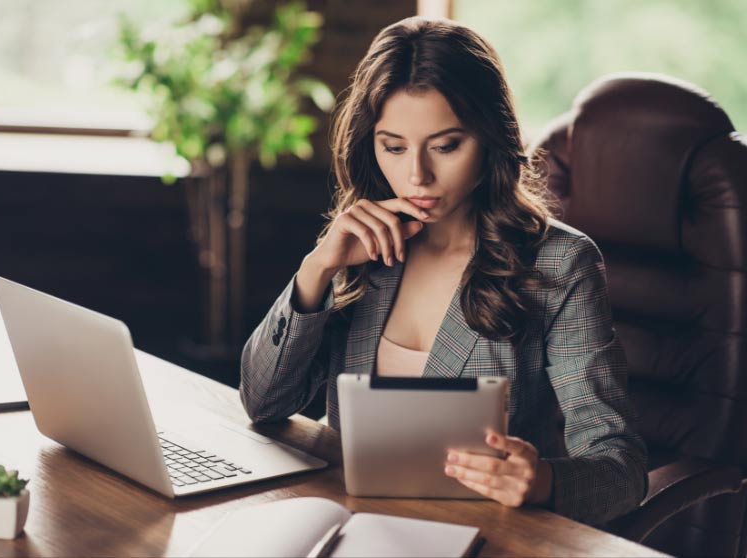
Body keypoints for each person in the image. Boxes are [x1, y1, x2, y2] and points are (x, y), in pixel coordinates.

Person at [240, 16, 647, 525]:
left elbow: (621, 469)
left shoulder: (560, 264)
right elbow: (264, 403)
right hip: (353, 521)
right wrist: (317, 268)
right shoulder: (361, 242)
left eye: (446, 146)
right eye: (393, 147)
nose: (416, 176)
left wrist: (541, 479)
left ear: (490, 138)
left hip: (486, 533)